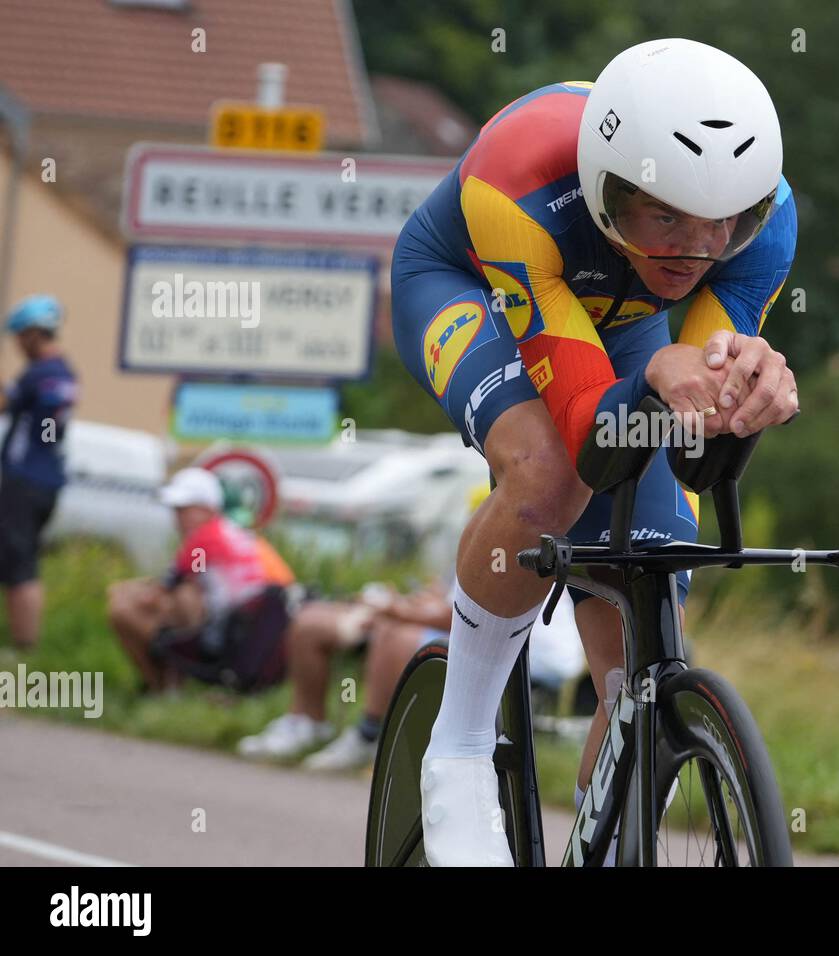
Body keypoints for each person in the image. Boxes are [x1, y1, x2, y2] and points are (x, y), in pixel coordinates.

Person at [391, 38, 799, 865]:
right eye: (667, 217)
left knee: (640, 605)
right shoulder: (521, 178)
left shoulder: (764, 224)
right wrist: (656, 368)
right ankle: (461, 742)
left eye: (722, 222)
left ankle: (614, 807)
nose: (698, 247)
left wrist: (743, 391)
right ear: (612, 191)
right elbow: (588, 424)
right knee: (550, 470)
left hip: (616, 317)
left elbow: (696, 403)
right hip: (478, 285)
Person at [108, 467, 295, 692]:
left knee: (125, 607)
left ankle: (163, 686)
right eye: (175, 510)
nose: (177, 517)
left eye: (184, 509)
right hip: (251, 627)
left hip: (230, 632)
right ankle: (169, 682)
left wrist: (125, 597)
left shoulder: (203, 539)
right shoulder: (232, 532)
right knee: (176, 596)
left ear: (208, 509)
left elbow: (165, 588)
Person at [236, 581, 454, 771]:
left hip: (444, 631)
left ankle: (370, 734)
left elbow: (461, 614)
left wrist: (398, 611)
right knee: (309, 620)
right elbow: (443, 594)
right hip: (420, 613)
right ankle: (305, 723)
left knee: (392, 632)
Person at [0, 295, 78, 651]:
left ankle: (25, 649)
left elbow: (47, 425)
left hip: (26, 481)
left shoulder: (44, 375)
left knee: (21, 562)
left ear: (35, 334)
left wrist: (42, 438)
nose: (17, 344)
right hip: (40, 480)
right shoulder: (61, 372)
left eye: (19, 336)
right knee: (15, 559)